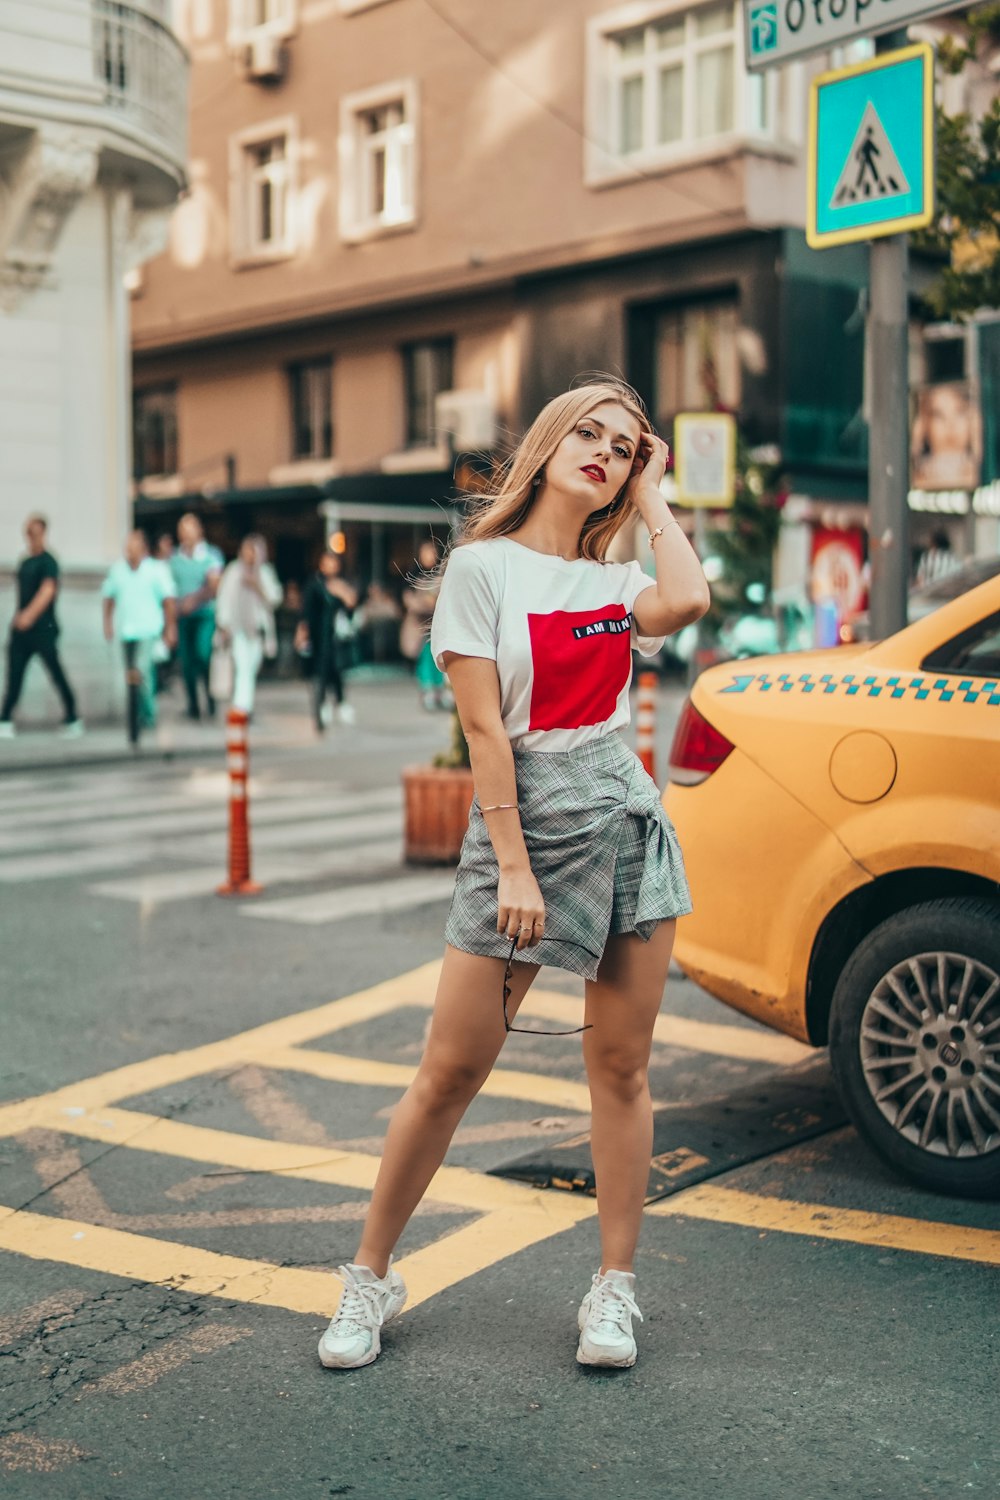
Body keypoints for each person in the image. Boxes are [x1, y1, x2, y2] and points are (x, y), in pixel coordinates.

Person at [316, 378, 710, 1373]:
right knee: (449, 1071)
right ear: (546, 442)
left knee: (619, 1070)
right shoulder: (483, 570)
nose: (605, 454)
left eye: (623, 448)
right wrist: (514, 869)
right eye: (588, 433)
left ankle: (612, 1292)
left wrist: (656, 495)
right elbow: (486, 732)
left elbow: (689, 598)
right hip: (522, 826)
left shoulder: (616, 580)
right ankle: (370, 1275)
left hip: (624, 818)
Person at [0, 515, 83, 739]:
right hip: (21, 632)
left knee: (56, 673)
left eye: (35, 532)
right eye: (28, 532)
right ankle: (5, 718)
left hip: (43, 630)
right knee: (14, 675)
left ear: (43, 533)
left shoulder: (49, 562)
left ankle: (73, 717)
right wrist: (20, 620)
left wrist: (28, 615)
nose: (31, 537)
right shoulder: (25, 561)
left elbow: (47, 591)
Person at [101, 531, 177, 734]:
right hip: (127, 631)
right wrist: (107, 624)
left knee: (142, 671)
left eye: (133, 547)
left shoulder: (155, 570)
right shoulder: (118, 570)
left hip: (148, 630)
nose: (129, 552)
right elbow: (108, 598)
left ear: (143, 549)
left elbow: (168, 601)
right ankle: (137, 716)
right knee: (131, 676)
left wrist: (170, 628)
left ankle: (148, 716)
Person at [215, 535, 283, 715]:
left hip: (257, 630)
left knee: (250, 667)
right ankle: (241, 706)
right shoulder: (234, 571)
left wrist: (257, 586)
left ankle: (244, 704)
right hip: (237, 628)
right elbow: (224, 599)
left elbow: (275, 598)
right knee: (242, 665)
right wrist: (223, 624)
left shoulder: (265, 573)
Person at [296, 549, 358, 729]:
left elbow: (350, 607)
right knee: (320, 671)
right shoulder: (314, 584)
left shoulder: (340, 584)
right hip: (317, 634)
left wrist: (345, 595)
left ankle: (339, 702)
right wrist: (302, 632)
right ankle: (322, 705)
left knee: (336, 670)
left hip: (335, 636)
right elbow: (306, 611)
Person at [170, 513, 223, 720]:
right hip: (183, 617)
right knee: (187, 662)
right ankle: (193, 705)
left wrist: (193, 600)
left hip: (204, 614)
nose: (185, 535)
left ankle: (210, 697)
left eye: (189, 530)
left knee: (203, 655)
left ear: (199, 531)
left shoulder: (211, 555)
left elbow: (213, 586)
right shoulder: (175, 559)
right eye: (182, 531)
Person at [401, 538, 450, 709]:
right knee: (424, 658)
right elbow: (409, 601)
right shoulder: (413, 576)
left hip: (437, 625)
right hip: (418, 627)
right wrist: (425, 604)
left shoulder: (442, 576)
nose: (428, 556)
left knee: (437, 657)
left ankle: (439, 690)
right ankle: (427, 689)